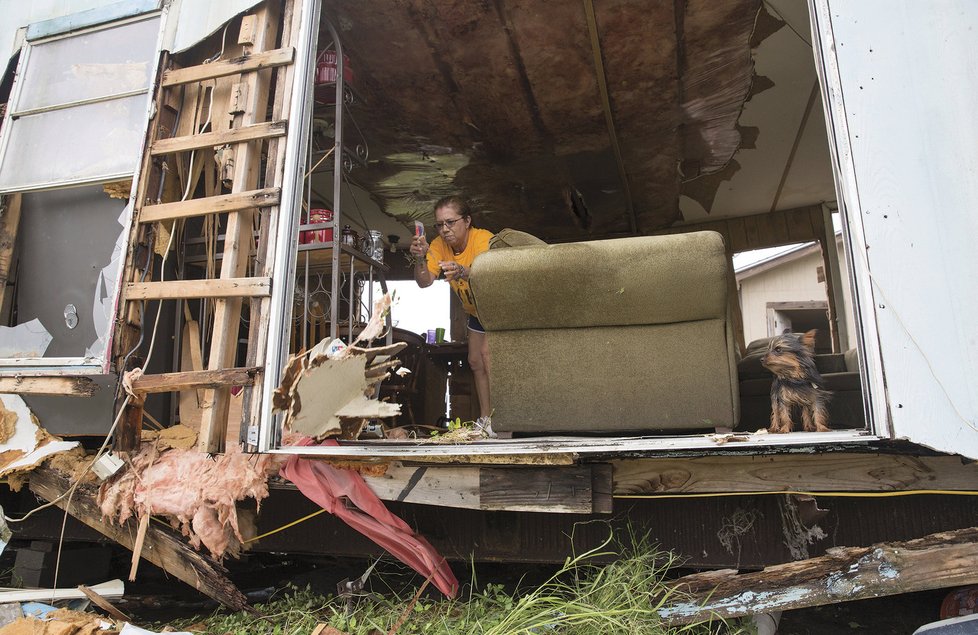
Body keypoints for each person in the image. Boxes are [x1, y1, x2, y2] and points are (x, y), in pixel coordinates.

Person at [410, 196, 494, 427]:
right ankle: (487, 421)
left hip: (497, 308)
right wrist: (419, 258)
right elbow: (424, 281)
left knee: (488, 356)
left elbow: (492, 274)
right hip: (476, 312)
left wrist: (464, 271)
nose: (444, 229)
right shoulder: (438, 245)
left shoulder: (483, 239)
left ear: (467, 221)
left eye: (450, 222)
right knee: (475, 360)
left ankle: (504, 420)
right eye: (439, 224)